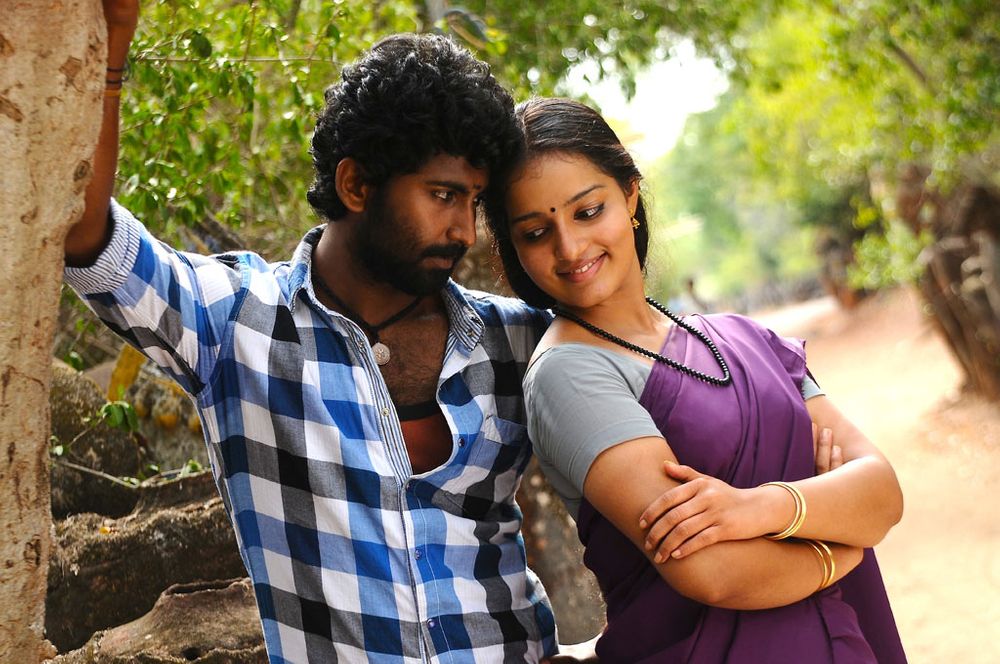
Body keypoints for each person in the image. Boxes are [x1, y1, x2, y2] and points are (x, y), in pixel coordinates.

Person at [66, 3, 583, 661]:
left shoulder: (516, 340)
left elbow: (649, 392)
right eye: (444, 195)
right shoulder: (236, 322)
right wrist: (112, 46)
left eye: (474, 201)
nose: (465, 230)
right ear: (356, 184)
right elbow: (87, 235)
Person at [485, 97, 907, 663]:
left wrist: (762, 507)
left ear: (629, 194)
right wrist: (840, 542)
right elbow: (712, 571)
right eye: (537, 232)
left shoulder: (746, 338)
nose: (570, 247)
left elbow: (882, 492)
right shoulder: (570, 373)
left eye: (588, 211)